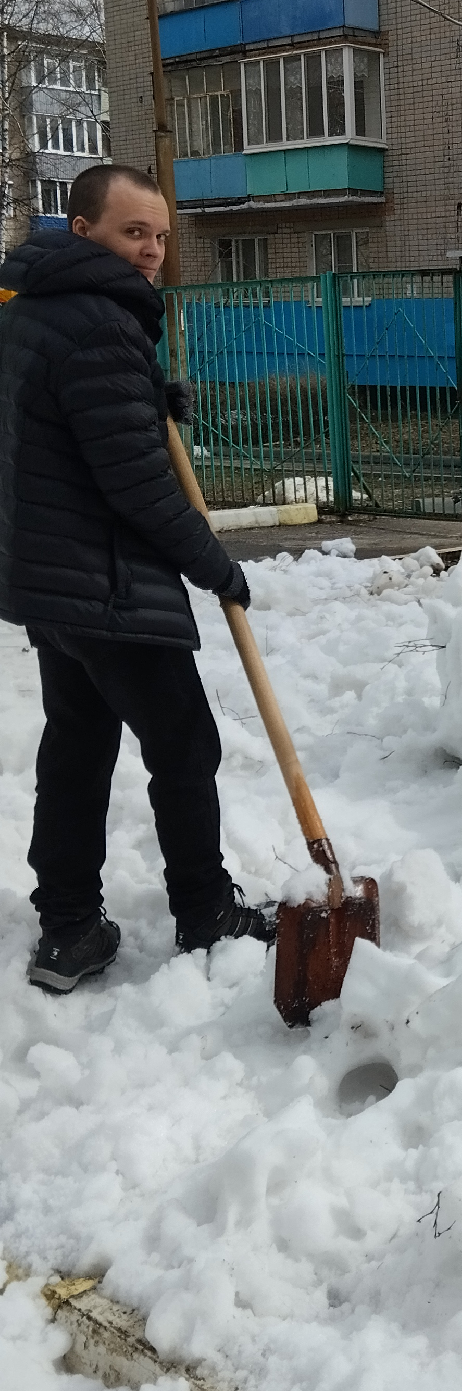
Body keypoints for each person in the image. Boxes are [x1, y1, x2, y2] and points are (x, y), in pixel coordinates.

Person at [0, 165, 278, 993]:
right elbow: (137, 486)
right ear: (83, 229)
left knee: (78, 745)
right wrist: (215, 565)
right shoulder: (101, 324)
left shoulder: (29, 309)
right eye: (133, 232)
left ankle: (69, 928)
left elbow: (63, 424)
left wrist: (148, 397)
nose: (153, 250)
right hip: (108, 581)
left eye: (159, 235)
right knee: (185, 745)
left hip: (50, 577)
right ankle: (205, 910)